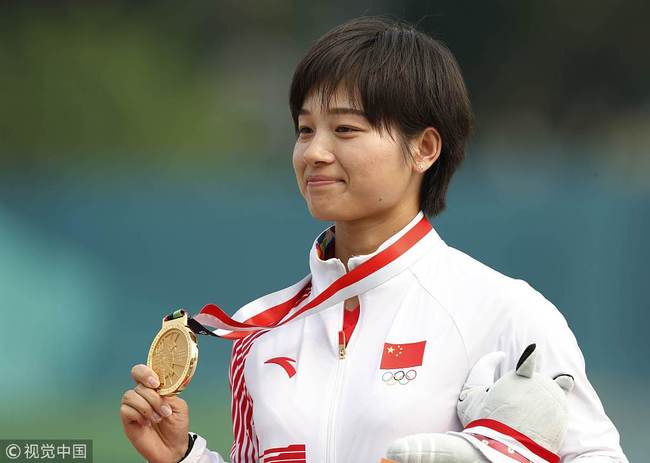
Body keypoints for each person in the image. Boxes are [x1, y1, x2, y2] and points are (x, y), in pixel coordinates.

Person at [120, 16, 629, 463]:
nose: (314, 152)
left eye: (345, 130)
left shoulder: (504, 311)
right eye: (304, 129)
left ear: (424, 148)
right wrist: (183, 457)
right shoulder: (260, 331)